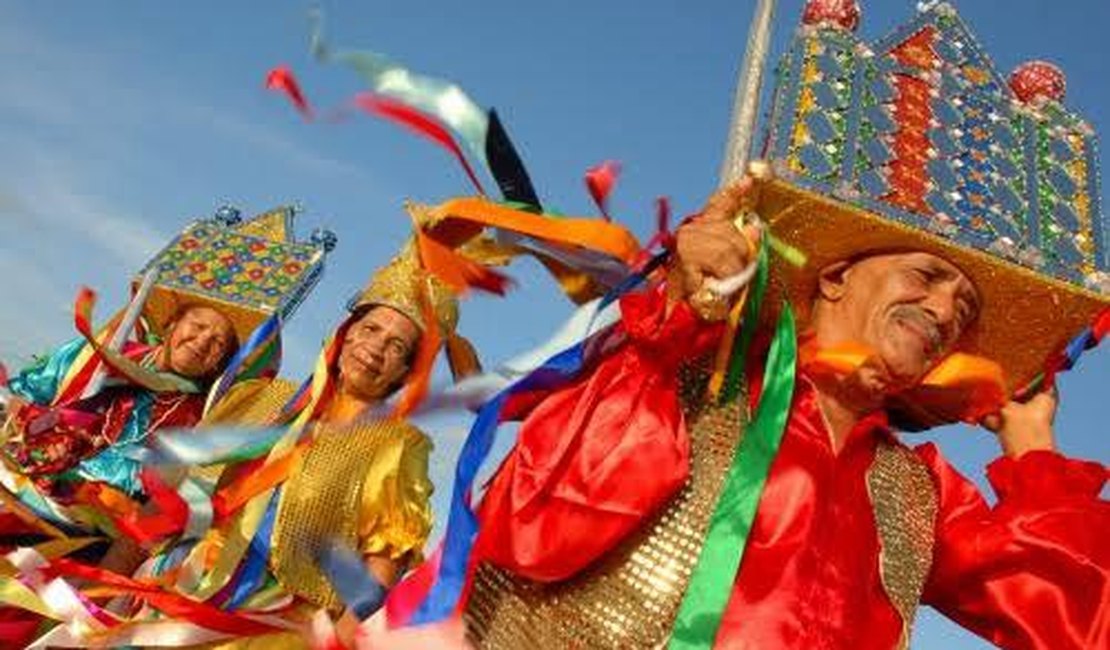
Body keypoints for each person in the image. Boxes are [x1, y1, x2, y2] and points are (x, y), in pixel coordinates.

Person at [442, 3, 1110, 649]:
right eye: (927, 277)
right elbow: (530, 526)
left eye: (964, 310)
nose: (943, 313)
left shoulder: (921, 494)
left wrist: (1034, 449)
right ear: (834, 276)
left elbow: (1080, 624)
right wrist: (675, 313)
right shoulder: (693, 385)